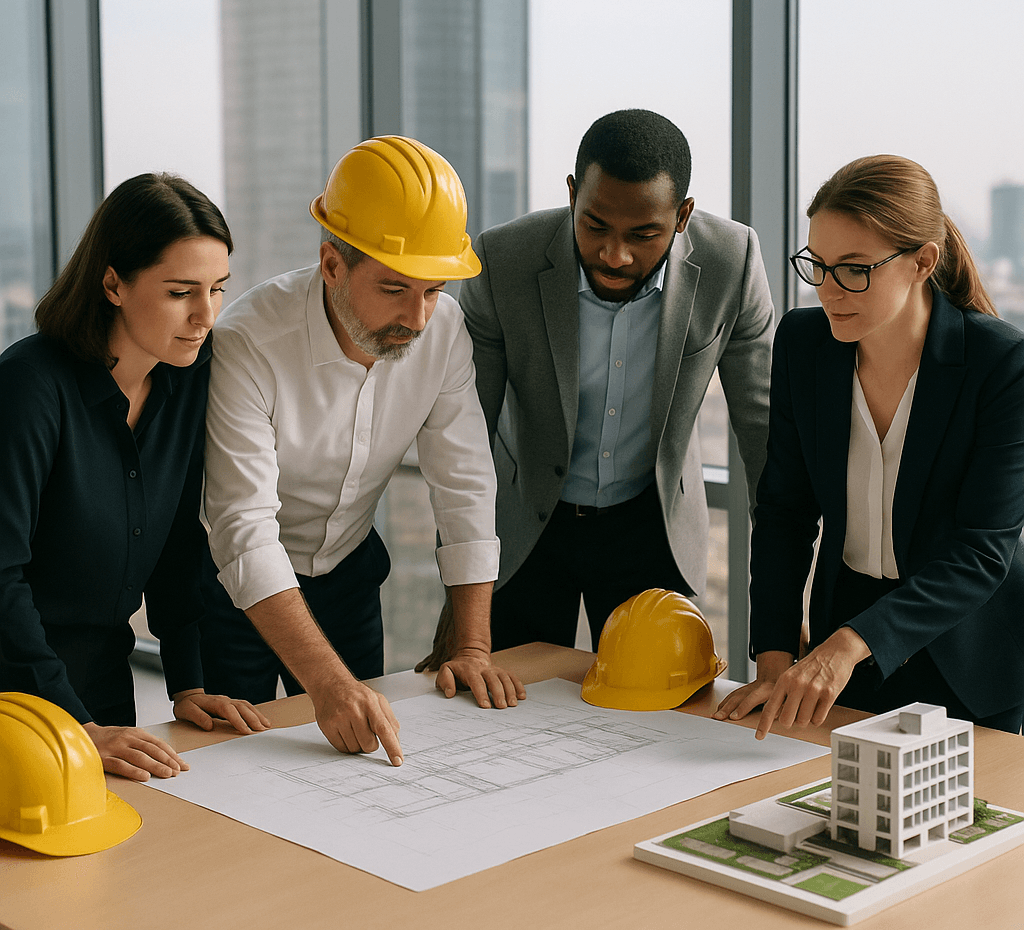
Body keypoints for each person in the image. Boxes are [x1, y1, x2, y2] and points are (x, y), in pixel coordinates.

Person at [200, 135, 525, 769]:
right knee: (230, 774)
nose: (419, 317)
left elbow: (464, 484)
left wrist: (474, 647)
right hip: (232, 595)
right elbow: (243, 528)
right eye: (395, 289)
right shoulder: (248, 341)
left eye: (432, 291)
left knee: (355, 767)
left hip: (348, 577)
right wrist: (326, 683)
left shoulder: (445, 331)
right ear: (331, 263)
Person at [418, 108, 773, 664]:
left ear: (682, 216)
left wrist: (786, 602)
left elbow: (765, 434)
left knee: (658, 726)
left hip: (651, 526)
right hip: (527, 528)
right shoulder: (502, 259)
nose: (614, 255)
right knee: (505, 718)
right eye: (595, 226)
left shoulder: (733, 262)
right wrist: (460, 610)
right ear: (571, 195)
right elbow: (464, 441)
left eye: (643, 235)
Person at [715, 154, 1024, 737]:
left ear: (921, 262)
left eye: (854, 269)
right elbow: (785, 509)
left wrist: (845, 646)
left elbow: (982, 550)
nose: (829, 290)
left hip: (970, 658)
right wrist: (775, 658)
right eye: (819, 265)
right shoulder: (804, 345)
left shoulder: (999, 363)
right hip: (848, 652)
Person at [0, 173, 270, 782]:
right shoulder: (29, 387)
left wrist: (189, 682)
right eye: (181, 292)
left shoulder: (186, 383)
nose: (205, 315)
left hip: (105, 684)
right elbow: (1, 573)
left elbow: (178, 538)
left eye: (218, 289)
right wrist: (69, 723)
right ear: (113, 282)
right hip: (16, 694)